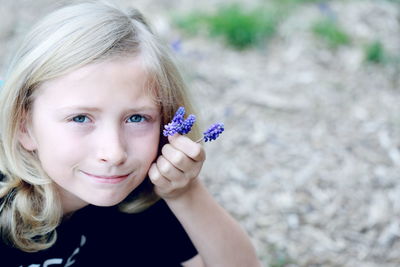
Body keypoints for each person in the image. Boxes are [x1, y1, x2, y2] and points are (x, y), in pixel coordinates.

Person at [0, 1, 261, 266]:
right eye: (80, 118)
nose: (114, 153)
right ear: (25, 126)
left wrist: (184, 193)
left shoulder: (135, 196)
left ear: (164, 120)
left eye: (137, 118)